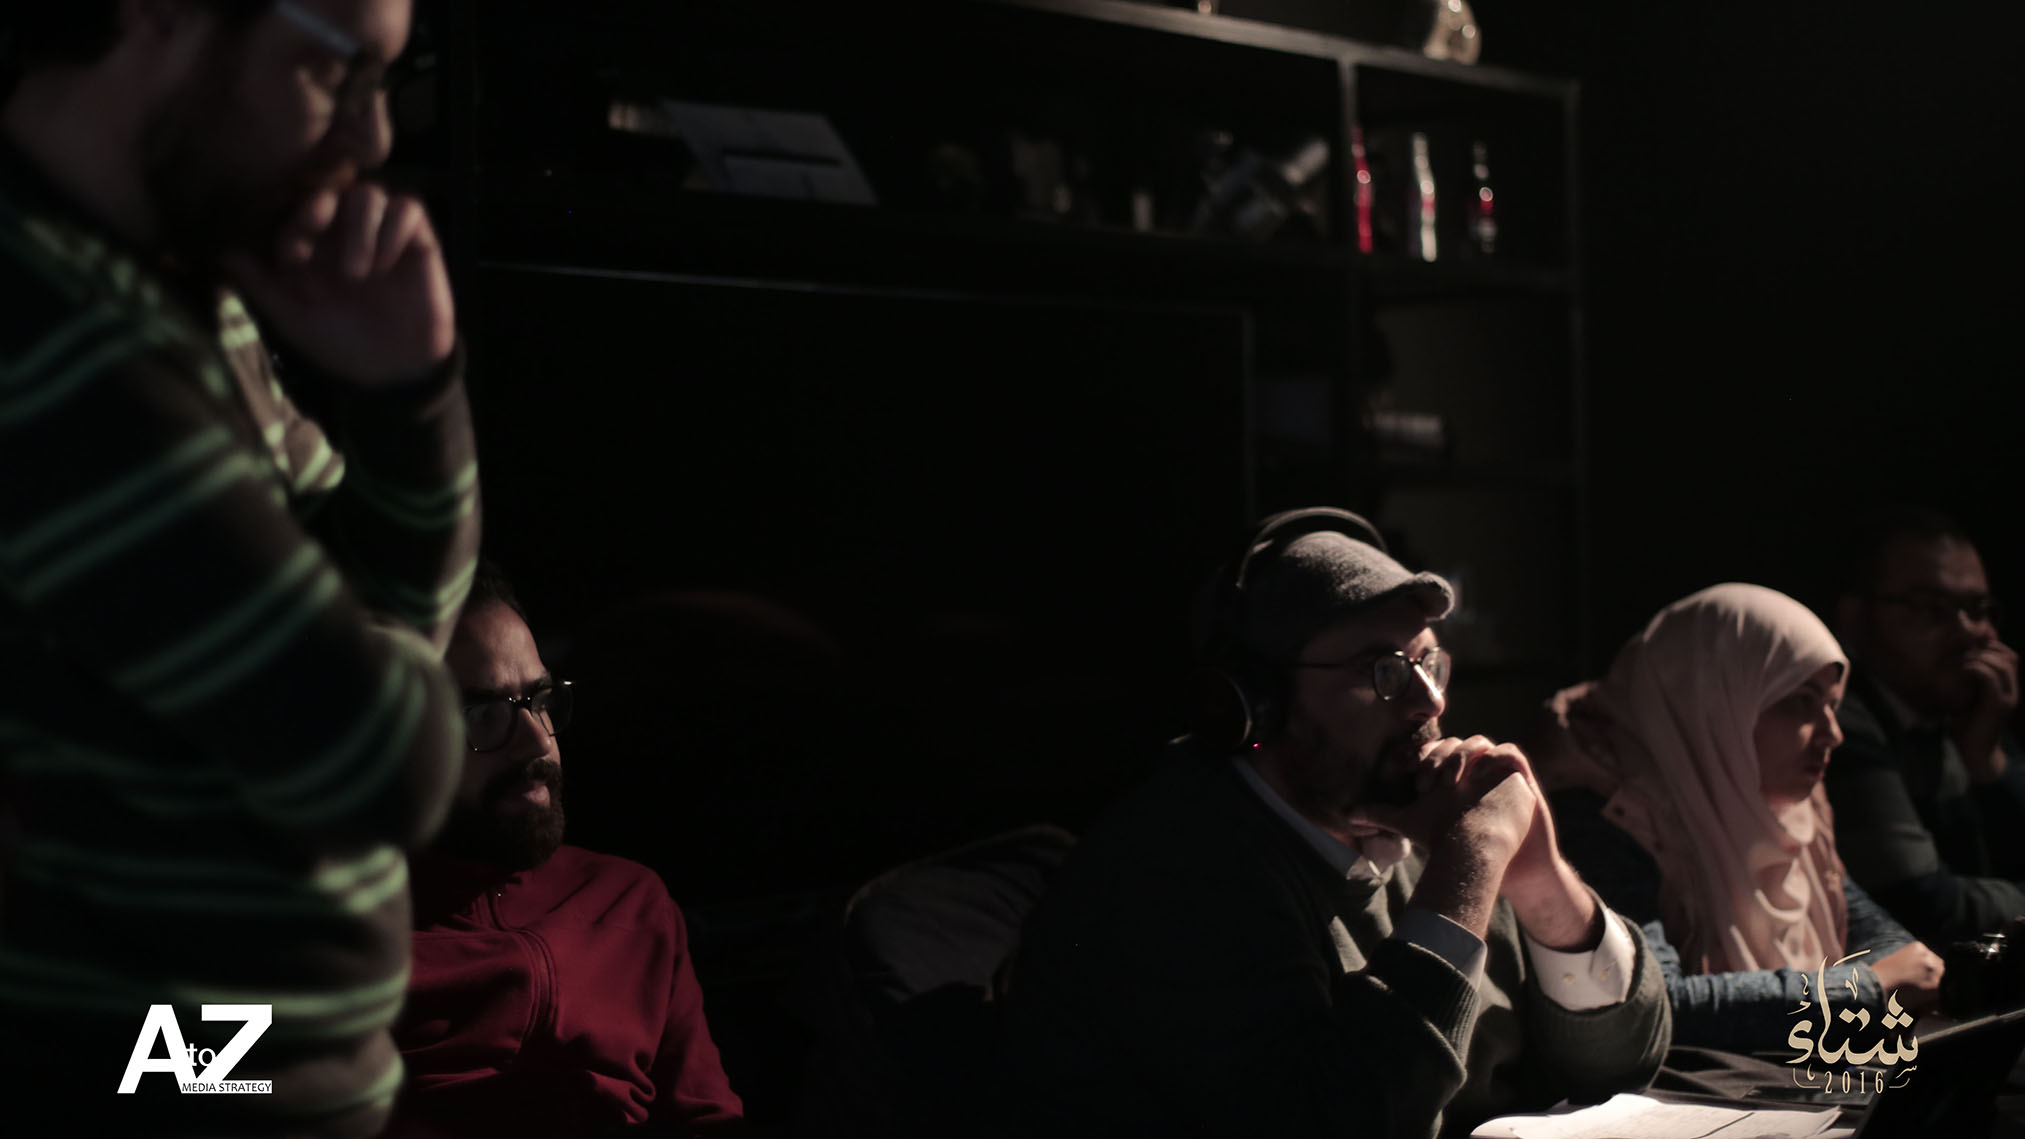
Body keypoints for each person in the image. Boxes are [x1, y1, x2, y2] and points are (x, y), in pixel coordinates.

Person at [0, 2, 475, 1134]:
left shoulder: (169, 295)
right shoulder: (57, 348)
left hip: (228, 1077)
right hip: (127, 1086)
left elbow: (386, 632)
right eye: (335, 70)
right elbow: (383, 760)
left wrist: (410, 402)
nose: (371, 139)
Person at [1002, 508, 1670, 1139]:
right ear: (1256, 704)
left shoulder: (1418, 814)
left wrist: (1540, 882)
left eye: (1429, 663)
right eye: (1381, 671)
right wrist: (1467, 863)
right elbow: (1338, 1119)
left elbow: (1626, 1057)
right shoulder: (1176, 865)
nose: (1430, 701)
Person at [386, 563, 744, 1139]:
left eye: (540, 700)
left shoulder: (629, 902)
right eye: (483, 714)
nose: (537, 740)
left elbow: (706, 1119)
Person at [1537, 584, 1946, 1056]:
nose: (1833, 734)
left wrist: (1901, 972)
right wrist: (1859, 990)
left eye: (1832, 705)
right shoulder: (1606, 817)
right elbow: (1654, 1007)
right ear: (1711, 701)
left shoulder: (1786, 804)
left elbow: (1868, 927)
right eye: (1801, 702)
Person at [1823, 508, 2025, 943]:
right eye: (1932, 609)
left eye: (1978, 609)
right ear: (1856, 620)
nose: (1968, 632)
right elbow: (1925, 906)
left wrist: (1988, 764)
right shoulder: (1833, 728)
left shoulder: (1964, 711)